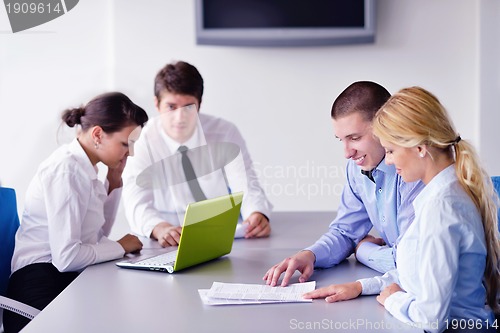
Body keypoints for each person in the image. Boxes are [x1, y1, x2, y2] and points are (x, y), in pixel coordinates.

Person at [303, 87, 500, 332]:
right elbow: (417, 274)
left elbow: (431, 318)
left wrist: (392, 300)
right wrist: (362, 287)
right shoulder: (440, 195)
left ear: (419, 148)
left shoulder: (441, 209)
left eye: (391, 151)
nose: (387, 161)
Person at [3, 92, 148, 333]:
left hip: (62, 278)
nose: (130, 153)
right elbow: (67, 257)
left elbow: (95, 236)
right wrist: (121, 246)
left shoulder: (85, 168)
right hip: (37, 289)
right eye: (126, 144)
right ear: (98, 134)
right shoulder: (66, 170)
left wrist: (113, 181)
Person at [264, 81, 424, 286]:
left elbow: (410, 263)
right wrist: (310, 255)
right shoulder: (357, 168)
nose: (347, 153)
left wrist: (364, 250)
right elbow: (346, 231)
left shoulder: (413, 172)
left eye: (355, 138)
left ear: (386, 125)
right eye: (341, 140)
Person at [122, 61, 272, 247]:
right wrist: (159, 228)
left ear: (199, 105)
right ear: (157, 104)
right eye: (171, 107)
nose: (180, 118)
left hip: (224, 230)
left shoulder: (225, 132)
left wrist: (257, 214)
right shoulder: (141, 140)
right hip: (169, 232)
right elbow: (135, 200)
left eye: (188, 107)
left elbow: (246, 183)